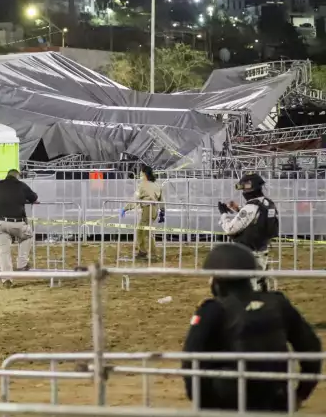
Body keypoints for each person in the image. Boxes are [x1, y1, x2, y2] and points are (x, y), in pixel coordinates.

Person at [183, 243, 320, 411]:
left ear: (216, 280)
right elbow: (311, 347)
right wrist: (300, 394)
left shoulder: (212, 310)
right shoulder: (278, 303)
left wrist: (205, 405)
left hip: (228, 404)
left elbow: (190, 361)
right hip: (276, 402)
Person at [218, 173, 279, 292]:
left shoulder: (251, 207)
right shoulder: (268, 203)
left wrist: (223, 214)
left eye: (245, 187)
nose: (244, 191)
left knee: (249, 288)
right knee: (262, 285)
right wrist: (238, 209)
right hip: (262, 250)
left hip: (248, 253)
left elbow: (230, 229)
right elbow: (256, 219)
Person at [0, 169, 38, 288]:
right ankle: (22, 263)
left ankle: (6, 280)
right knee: (27, 236)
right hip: (17, 222)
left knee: (3, 252)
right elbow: (34, 197)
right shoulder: (21, 185)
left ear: (7, 176)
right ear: (17, 176)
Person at [121, 164, 165, 262]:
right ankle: (143, 251)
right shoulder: (157, 185)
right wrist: (162, 211)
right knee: (141, 231)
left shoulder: (142, 185)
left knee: (146, 233)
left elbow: (135, 199)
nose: (140, 174)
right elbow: (162, 200)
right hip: (154, 210)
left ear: (144, 174)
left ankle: (151, 254)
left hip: (147, 210)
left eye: (141, 172)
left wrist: (125, 208)